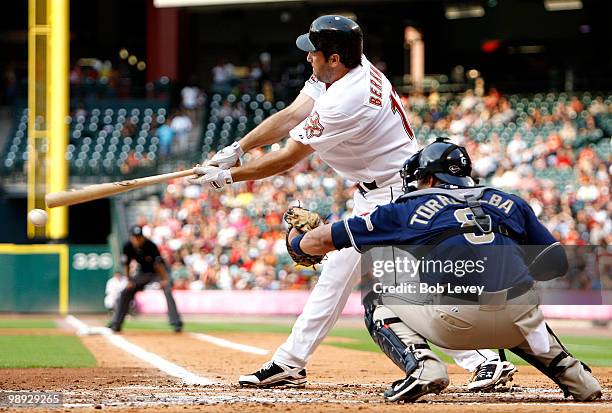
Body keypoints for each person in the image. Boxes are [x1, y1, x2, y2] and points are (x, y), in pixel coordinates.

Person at [189, 15, 514, 390]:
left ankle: (486, 358)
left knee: (407, 289)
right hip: (378, 192)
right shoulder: (347, 70)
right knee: (336, 280)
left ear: (335, 58)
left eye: (315, 52)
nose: (308, 58)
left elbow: (288, 157)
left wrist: (229, 176)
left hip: (396, 194)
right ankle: (290, 362)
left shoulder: (346, 100)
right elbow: (294, 111)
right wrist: (237, 148)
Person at [285, 138, 603, 403]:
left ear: (432, 179)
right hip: (519, 322)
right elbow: (556, 263)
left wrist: (297, 243)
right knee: (518, 303)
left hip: (455, 321)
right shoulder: (508, 201)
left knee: (378, 298)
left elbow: (326, 239)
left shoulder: (406, 208)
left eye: (420, 179)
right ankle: (574, 375)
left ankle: (424, 366)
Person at [107, 225, 183, 333]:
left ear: (142, 237)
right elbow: (127, 265)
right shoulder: (128, 246)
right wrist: (129, 281)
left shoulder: (150, 245)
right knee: (125, 292)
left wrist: (164, 280)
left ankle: (176, 323)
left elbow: (159, 265)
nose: (137, 240)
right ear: (131, 237)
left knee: (167, 289)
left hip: (157, 273)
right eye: (135, 237)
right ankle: (116, 323)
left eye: (139, 237)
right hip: (142, 273)